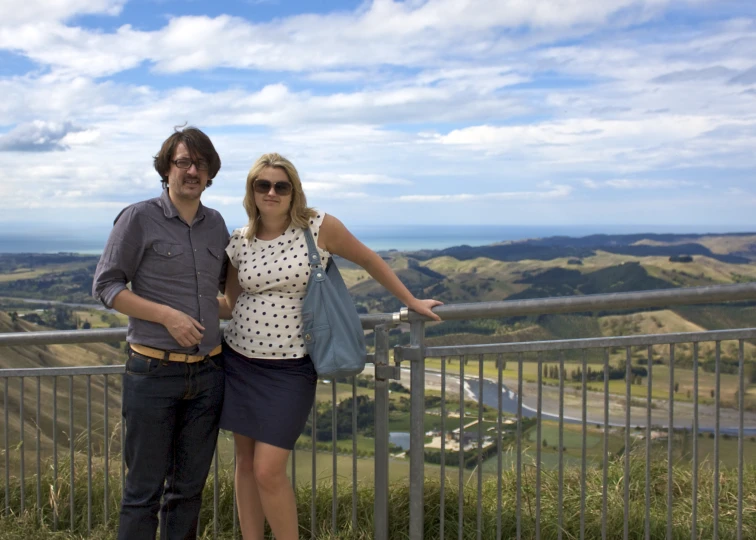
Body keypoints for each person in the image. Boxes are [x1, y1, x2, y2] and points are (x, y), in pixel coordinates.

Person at [217, 152, 443, 540]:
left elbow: (370, 259)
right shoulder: (240, 240)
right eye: (262, 185)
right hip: (239, 361)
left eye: (281, 186)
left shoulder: (318, 226)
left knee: (268, 470)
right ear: (251, 191)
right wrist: (174, 305)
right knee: (245, 463)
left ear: (294, 191)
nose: (271, 192)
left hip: (292, 367)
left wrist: (411, 301)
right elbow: (229, 303)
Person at [92, 126, 230, 540]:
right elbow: (106, 286)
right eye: (183, 161)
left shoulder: (216, 223)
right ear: (166, 168)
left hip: (208, 375)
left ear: (210, 173)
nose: (192, 170)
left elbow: (223, 292)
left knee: (187, 493)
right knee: (143, 494)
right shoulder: (138, 217)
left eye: (200, 163)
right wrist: (168, 316)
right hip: (153, 373)